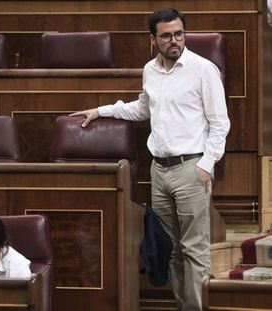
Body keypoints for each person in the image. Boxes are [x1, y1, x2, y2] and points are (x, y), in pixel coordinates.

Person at [70, 8, 230, 311]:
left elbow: (220, 124)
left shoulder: (203, 69)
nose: (174, 41)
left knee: (194, 250)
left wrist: (206, 166)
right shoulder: (150, 70)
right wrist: (101, 111)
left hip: (191, 169)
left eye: (179, 34)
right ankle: (184, 305)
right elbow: (143, 108)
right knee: (171, 251)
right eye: (167, 35)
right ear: (153, 39)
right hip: (160, 171)